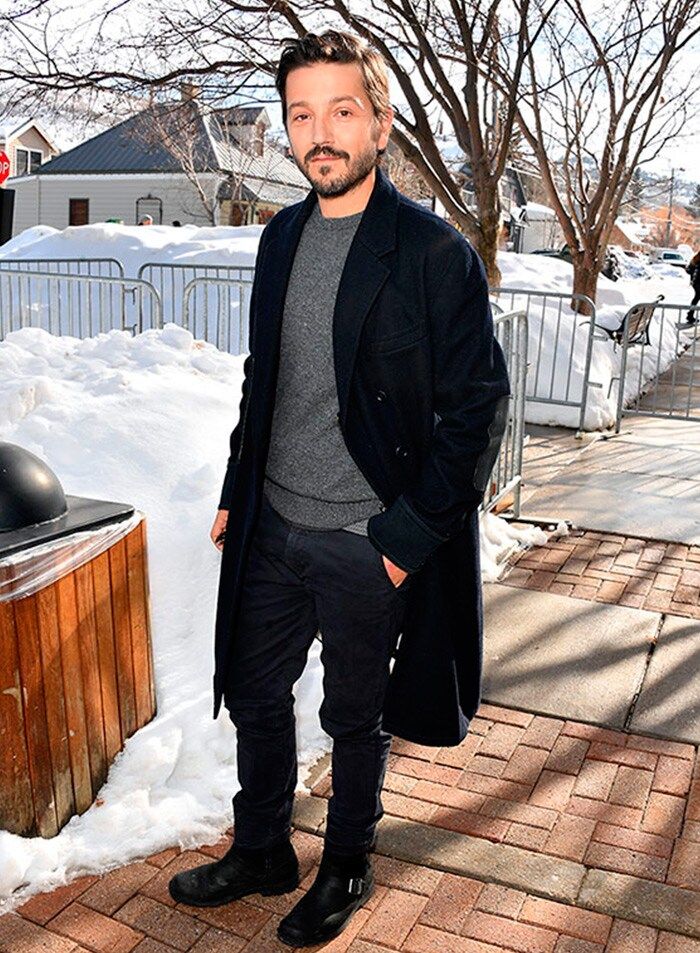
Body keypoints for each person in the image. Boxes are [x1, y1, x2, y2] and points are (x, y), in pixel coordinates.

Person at [168, 29, 510, 948]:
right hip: (274, 521)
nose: (320, 133)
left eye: (342, 111)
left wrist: (408, 536)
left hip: (368, 537)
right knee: (253, 691)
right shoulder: (279, 237)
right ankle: (263, 847)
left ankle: (348, 859)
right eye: (302, 114)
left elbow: (478, 407)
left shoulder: (435, 255)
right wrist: (241, 487)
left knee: (354, 714)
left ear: (381, 121)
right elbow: (264, 377)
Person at [685, 249, 700, 324]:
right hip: (698, 283)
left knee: (696, 298)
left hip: (695, 283)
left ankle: (690, 315)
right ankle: (690, 315)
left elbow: (688, 269)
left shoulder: (696, 259)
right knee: (696, 298)